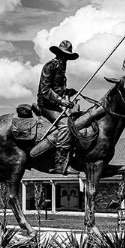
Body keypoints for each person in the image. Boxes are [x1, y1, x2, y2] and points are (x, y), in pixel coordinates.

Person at [32, 40, 79, 174]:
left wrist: (67, 92)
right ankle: (60, 164)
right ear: (58, 54)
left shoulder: (61, 68)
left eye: (67, 56)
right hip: (46, 105)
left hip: (55, 105)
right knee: (65, 126)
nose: (65, 59)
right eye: (63, 55)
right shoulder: (50, 66)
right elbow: (45, 90)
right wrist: (61, 101)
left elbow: (57, 88)